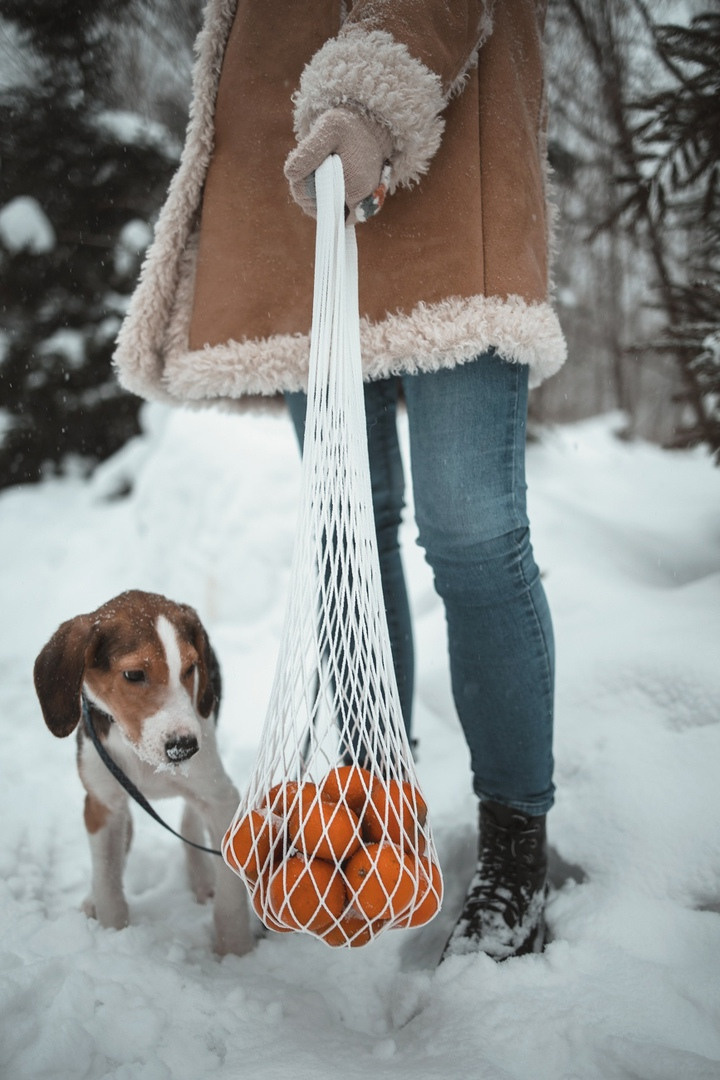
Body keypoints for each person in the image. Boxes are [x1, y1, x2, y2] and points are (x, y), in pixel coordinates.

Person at [115, 0, 566, 961]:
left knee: (472, 528)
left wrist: (368, 100)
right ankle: (372, 810)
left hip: (445, 166)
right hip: (306, 209)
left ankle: (515, 840)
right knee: (349, 533)